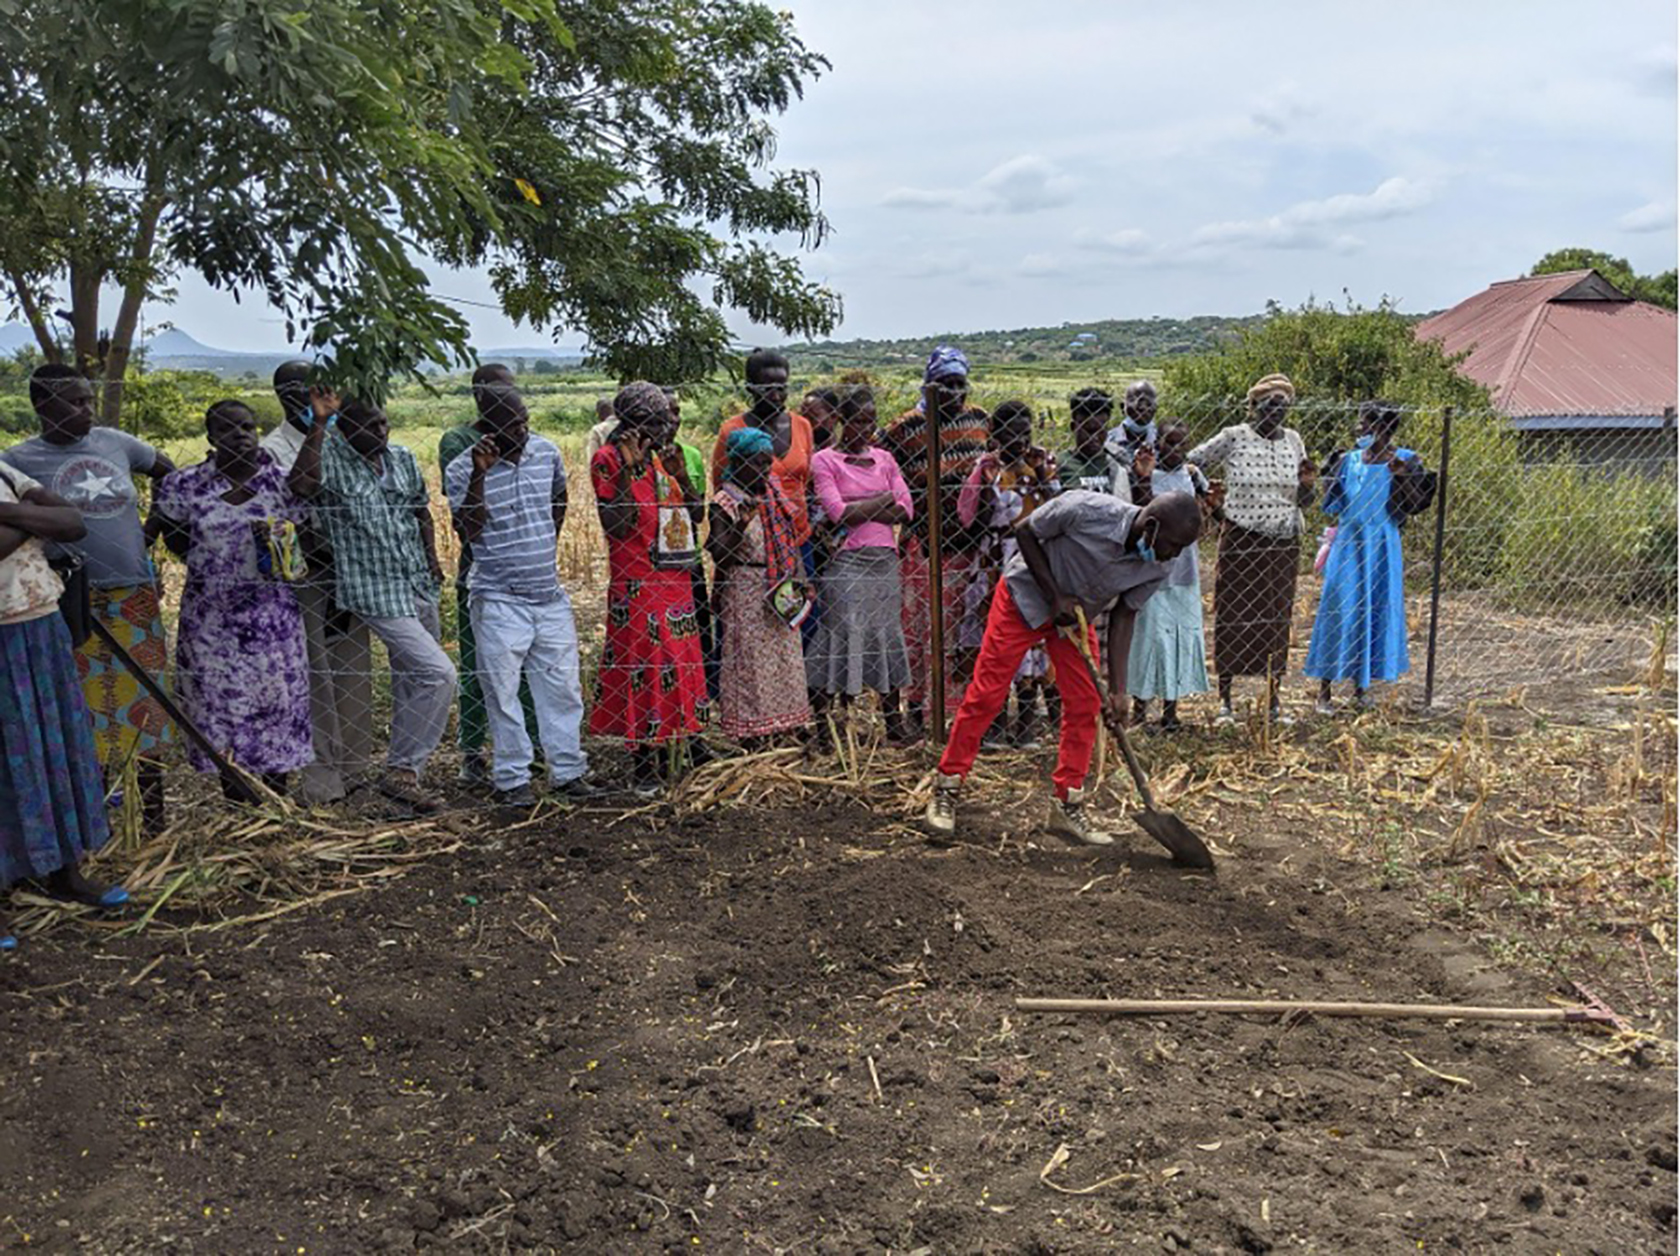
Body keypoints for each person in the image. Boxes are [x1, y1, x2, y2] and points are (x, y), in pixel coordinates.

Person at [924, 490, 1204, 844]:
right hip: (1023, 599)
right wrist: (1054, 594)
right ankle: (947, 787)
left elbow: (1124, 614)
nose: (1174, 555)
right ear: (1150, 526)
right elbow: (1025, 531)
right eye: (1173, 545)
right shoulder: (1085, 510)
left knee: (1086, 703)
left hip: (1075, 617)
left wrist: (1118, 690)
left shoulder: (1160, 563)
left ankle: (1066, 803)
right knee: (987, 695)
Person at [2, 364, 176, 832]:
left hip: (131, 594)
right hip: (70, 600)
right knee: (83, 709)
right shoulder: (19, 460)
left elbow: (168, 473)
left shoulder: (116, 443)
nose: (86, 410)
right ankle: (94, 817)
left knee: (147, 704)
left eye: (88, 400)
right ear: (42, 407)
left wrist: (153, 529)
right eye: (74, 402)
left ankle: (153, 818)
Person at [289, 397, 455, 812]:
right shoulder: (327, 456)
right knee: (438, 674)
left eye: (384, 424)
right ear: (346, 429)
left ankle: (405, 785)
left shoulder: (400, 457)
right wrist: (320, 424)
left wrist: (432, 558)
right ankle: (401, 771)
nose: (381, 433)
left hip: (415, 580)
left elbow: (420, 510)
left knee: (412, 681)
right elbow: (301, 487)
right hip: (371, 588)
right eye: (370, 427)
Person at [445, 378, 596, 807]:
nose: (521, 431)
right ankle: (512, 780)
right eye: (510, 425)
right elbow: (467, 530)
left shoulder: (545, 452)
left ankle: (568, 772)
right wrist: (480, 474)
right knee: (503, 691)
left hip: (547, 593)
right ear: (485, 427)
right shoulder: (462, 468)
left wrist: (542, 544)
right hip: (497, 597)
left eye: (524, 421)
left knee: (562, 688)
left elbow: (558, 499)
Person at [152, 401, 315, 794]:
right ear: (211, 438)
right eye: (227, 429)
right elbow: (174, 537)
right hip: (210, 621)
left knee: (276, 704)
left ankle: (277, 798)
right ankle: (238, 798)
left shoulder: (281, 483)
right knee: (220, 706)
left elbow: (306, 534)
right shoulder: (186, 485)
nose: (240, 435)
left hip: (271, 619)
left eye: (246, 427)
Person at [0, 459, 129, 947]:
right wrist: (29, 517)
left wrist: (6, 511)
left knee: (54, 750)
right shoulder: (19, 487)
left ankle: (63, 873)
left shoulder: (4, 469)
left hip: (39, 626)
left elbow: (72, 523)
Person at [262, 360, 374, 803]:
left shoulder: (344, 437)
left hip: (349, 568)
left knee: (353, 669)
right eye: (297, 390)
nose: (308, 397)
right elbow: (286, 515)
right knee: (317, 677)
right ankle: (323, 782)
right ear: (283, 395)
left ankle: (355, 770)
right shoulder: (275, 449)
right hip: (307, 575)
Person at [591, 382, 708, 793]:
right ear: (634, 423)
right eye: (658, 421)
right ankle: (643, 761)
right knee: (644, 669)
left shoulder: (665, 461)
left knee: (681, 665)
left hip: (675, 578)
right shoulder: (608, 460)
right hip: (637, 584)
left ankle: (687, 744)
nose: (668, 428)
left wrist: (681, 477)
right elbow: (617, 525)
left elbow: (695, 515)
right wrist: (627, 468)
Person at [1188, 373, 1316, 725]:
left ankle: (1273, 702)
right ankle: (1226, 701)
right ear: (1254, 405)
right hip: (1243, 538)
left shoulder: (1293, 440)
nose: (1276, 412)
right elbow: (1191, 461)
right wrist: (1210, 503)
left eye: (1283, 406)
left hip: (1284, 541)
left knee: (1277, 619)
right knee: (1233, 614)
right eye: (1270, 404)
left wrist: (1307, 485)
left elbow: (1304, 498)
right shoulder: (1234, 437)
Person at [880, 346, 990, 738]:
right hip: (923, 545)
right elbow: (877, 460)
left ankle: (960, 714)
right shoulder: (906, 427)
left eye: (960, 385)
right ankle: (919, 707)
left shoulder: (978, 421)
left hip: (969, 545)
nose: (953, 393)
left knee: (963, 631)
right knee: (920, 632)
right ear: (928, 386)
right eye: (944, 385)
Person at [440, 364, 542, 785]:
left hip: (528, 571)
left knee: (529, 669)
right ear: (482, 401)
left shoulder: (527, 441)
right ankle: (472, 751)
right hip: (482, 572)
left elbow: (550, 497)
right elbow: (465, 508)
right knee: (478, 667)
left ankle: (530, 750)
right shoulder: (459, 443)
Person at [805, 386, 915, 744]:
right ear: (840, 421)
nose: (864, 430)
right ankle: (825, 726)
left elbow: (907, 508)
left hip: (883, 560)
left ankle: (893, 724)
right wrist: (883, 499)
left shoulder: (885, 458)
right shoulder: (825, 460)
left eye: (870, 422)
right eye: (856, 421)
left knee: (886, 637)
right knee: (840, 634)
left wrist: (863, 508)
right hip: (846, 562)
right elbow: (836, 512)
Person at [1305, 401, 1430, 711]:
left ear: (1384, 428)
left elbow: (1415, 505)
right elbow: (1332, 502)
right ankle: (1325, 689)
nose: (1358, 429)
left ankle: (1361, 690)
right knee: (1338, 608)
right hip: (1349, 543)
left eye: (1365, 423)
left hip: (1383, 544)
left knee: (1373, 609)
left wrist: (1401, 478)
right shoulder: (1346, 461)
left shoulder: (1405, 461)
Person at [958, 399, 1062, 748]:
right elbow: (971, 519)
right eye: (1011, 434)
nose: (1019, 441)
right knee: (997, 645)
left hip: (1034, 563)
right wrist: (987, 483)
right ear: (996, 435)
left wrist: (1044, 476)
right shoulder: (986, 467)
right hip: (994, 561)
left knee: (1034, 642)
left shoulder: (1041, 463)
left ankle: (1027, 728)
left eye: (1025, 433)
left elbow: (1057, 509)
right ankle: (997, 726)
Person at [709, 427, 813, 747]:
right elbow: (720, 554)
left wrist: (801, 579)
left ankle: (785, 726)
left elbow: (789, 538)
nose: (763, 471)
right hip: (745, 587)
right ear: (737, 462)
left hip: (779, 586)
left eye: (766, 464)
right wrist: (740, 525)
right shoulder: (725, 501)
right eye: (755, 464)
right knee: (750, 662)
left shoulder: (772, 493)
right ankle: (753, 732)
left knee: (784, 658)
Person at [710, 349, 818, 652]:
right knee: (747, 624)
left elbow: (805, 482)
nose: (776, 394)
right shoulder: (733, 429)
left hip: (796, 538)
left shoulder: (801, 427)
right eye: (767, 387)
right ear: (750, 389)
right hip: (748, 545)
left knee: (799, 619)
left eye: (782, 386)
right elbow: (722, 486)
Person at [1125, 422, 1212, 732]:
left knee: (1179, 635)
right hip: (1152, 568)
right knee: (1147, 638)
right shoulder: (1145, 474)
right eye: (1169, 444)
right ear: (1157, 444)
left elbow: (1205, 512)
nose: (1175, 451)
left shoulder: (1191, 476)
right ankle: (1139, 709)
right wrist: (1145, 478)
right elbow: (1141, 511)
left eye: (1181, 444)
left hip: (1184, 570)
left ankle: (1171, 710)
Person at [1104, 380, 1159, 497]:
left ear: (1156, 408)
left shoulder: (1163, 441)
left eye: (1149, 401)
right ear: (1122, 406)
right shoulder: (1107, 441)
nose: (1143, 407)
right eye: (1135, 399)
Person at [1060, 388, 1117, 495]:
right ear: (1073, 427)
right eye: (1088, 431)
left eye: (1100, 431)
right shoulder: (1060, 463)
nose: (1094, 438)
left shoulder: (1117, 462)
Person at [582, 396, 620, 466]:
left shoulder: (597, 430)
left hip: (607, 471)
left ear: (599, 413)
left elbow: (593, 459)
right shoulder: (625, 426)